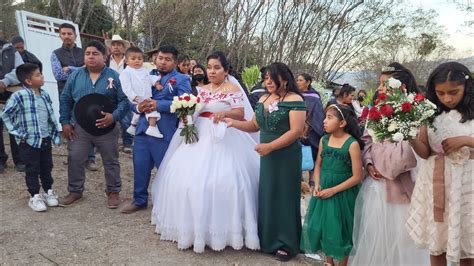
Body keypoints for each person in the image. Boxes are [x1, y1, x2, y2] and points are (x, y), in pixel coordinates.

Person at [150, 51, 259, 253]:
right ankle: (189, 228)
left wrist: (224, 112)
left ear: (226, 70)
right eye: (209, 67)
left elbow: (240, 113)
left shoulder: (232, 88)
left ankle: (225, 230)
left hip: (224, 134)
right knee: (185, 179)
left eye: (217, 67)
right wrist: (186, 116)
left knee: (228, 181)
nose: (212, 71)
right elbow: (194, 109)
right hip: (199, 133)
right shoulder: (201, 89)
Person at [349, 63, 428, 266]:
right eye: (380, 84)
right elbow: (367, 141)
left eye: (385, 84)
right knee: (376, 233)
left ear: (401, 86)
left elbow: (413, 151)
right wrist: (368, 164)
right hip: (376, 186)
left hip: (402, 187)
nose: (380, 89)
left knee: (402, 239)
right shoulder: (376, 111)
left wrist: (387, 167)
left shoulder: (415, 113)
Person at [226, 62, 306, 261]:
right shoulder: (263, 98)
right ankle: (268, 239)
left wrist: (270, 146)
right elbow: (254, 125)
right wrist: (232, 123)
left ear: (284, 79)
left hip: (286, 155)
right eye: (266, 77)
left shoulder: (295, 99)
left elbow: (295, 131)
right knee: (268, 193)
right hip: (267, 155)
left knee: (285, 195)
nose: (267, 81)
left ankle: (286, 243)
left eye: (271, 77)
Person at [407, 62, 474, 266]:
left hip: (467, 183)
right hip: (436, 181)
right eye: (441, 93)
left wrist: (464, 140)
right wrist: (410, 137)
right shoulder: (430, 115)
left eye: (454, 92)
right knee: (438, 240)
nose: (448, 98)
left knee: (467, 242)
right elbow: (425, 151)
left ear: (467, 87)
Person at [120, 45, 192, 214]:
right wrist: (138, 108)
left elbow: (186, 103)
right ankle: (139, 200)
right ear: (155, 59)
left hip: (166, 130)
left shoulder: (182, 79)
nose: (162, 62)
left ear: (175, 62)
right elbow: (129, 98)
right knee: (140, 165)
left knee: (166, 168)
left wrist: (159, 105)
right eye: (160, 58)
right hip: (143, 127)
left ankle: (171, 202)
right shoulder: (144, 73)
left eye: (167, 60)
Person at [58, 41, 128, 208]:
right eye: (87, 53)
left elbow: (124, 101)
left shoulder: (115, 76)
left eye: (95, 53)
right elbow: (66, 98)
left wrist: (114, 116)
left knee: (111, 160)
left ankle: (113, 192)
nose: (90, 56)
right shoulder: (75, 76)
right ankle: (75, 191)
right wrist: (65, 122)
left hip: (107, 127)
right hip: (80, 127)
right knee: (75, 157)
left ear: (105, 56)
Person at [301, 104, 363, 266]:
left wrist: (333, 190)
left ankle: (343, 263)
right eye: (325, 117)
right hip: (324, 190)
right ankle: (329, 262)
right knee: (325, 226)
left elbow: (357, 176)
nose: (324, 121)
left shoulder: (352, 144)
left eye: (329, 118)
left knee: (342, 228)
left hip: (343, 192)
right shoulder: (324, 140)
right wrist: (317, 184)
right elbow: (318, 165)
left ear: (342, 123)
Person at [2, 63, 61, 211]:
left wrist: (54, 133)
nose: (42, 77)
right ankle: (34, 195)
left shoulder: (45, 94)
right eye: (38, 75)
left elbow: (50, 116)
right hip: (28, 141)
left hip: (45, 139)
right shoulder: (19, 96)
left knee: (47, 166)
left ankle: (48, 192)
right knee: (32, 167)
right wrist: (17, 132)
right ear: (28, 81)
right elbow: (6, 115)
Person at [51, 23, 98, 170]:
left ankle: (90, 159)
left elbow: (91, 68)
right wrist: (81, 69)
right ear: (60, 35)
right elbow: (58, 75)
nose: (66, 36)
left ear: (75, 35)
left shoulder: (85, 51)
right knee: (69, 123)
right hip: (66, 93)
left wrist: (70, 68)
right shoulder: (55, 53)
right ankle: (73, 156)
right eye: (63, 33)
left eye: (69, 33)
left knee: (89, 122)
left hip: (86, 91)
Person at [120, 47, 162, 138]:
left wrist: (156, 83)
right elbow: (126, 88)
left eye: (140, 59)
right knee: (152, 109)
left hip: (145, 95)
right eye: (133, 59)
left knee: (138, 114)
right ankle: (152, 127)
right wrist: (134, 97)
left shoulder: (144, 70)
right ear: (126, 61)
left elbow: (151, 78)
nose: (137, 61)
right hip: (136, 96)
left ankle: (133, 126)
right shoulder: (126, 73)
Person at [0, 36, 26, 173]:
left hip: (11, 92)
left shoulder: (12, 52)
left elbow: (20, 70)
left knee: (14, 127)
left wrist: (4, 82)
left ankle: (19, 160)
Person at [105, 35, 134, 153]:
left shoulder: (129, 61)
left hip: (125, 93)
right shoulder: (106, 60)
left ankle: (127, 143)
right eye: (114, 45)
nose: (116, 47)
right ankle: (106, 143)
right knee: (106, 117)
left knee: (126, 119)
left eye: (119, 45)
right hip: (108, 93)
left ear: (123, 48)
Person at [296, 73, 324, 179]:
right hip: (297, 129)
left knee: (312, 154)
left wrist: (309, 124)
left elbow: (318, 115)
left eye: (301, 80)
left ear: (308, 82)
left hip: (311, 131)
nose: (298, 82)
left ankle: (313, 178)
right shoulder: (294, 95)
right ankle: (300, 180)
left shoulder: (315, 97)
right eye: (297, 80)